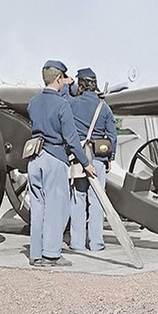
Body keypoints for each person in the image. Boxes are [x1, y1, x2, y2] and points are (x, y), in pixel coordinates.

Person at [26, 60, 96, 267]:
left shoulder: (33, 102)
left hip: (34, 158)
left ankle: (36, 254)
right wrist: (86, 164)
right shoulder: (62, 104)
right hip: (54, 158)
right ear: (59, 78)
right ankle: (52, 254)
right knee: (57, 208)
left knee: (38, 207)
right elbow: (72, 139)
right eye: (64, 79)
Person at [68, 67, 117, 252]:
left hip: (78, 158)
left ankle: (77, 243)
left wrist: (66, 86)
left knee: (78, 199)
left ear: (80, 86)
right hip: (97, 159)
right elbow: (112, 136)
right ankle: (96, 243)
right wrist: (110, 158)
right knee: (96, 201)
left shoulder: (72, 104)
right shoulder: (104, 107)